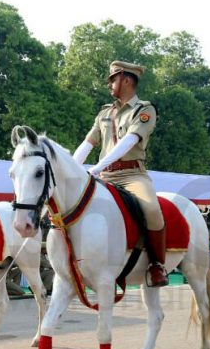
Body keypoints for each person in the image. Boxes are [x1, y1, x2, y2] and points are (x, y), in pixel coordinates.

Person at [72, 60, 168, 287]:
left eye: (113, 79)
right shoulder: (105, 112)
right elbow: (88, 143)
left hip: (132, 175)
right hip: (105, 177)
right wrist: (73, 170)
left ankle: (157, 265)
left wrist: (96, 168)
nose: (109, 84)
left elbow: (130, 141)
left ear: (126, 80)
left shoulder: (144, 110)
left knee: (152, 210)